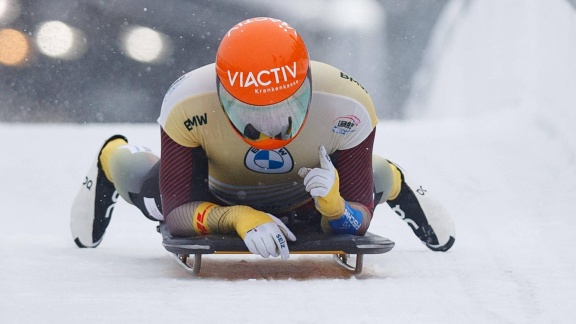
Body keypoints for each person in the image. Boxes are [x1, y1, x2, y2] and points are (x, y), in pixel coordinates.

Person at [70, 17, 455, 259]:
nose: (269, 126)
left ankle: (392, 178)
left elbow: (357, 219)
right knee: (153, 198)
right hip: (217, 189)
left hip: (310, 195)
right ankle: (113, 157)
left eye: (282, 110)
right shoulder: (186, 102)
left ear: (307, 87)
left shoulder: (347, 104)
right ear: (222, 95)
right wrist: (237, 216)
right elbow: (177, 212)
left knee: (371, 181)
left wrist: (336, 207)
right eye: (249, 112)